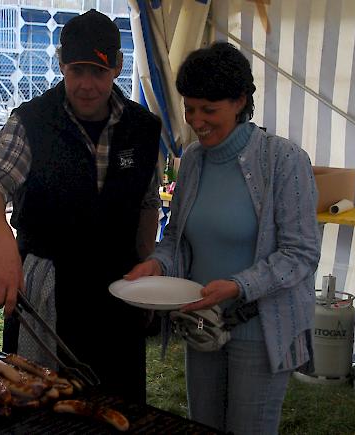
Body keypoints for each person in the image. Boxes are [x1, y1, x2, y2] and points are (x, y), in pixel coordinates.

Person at [0, 9, 161, 403]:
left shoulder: (143, 127)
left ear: (118, 67)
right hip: (50, 287)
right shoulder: (32, 121)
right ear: (61, 64)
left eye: (98, 72)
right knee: (40, 400)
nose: (86, 85)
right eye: (76, 71)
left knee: (118, 399)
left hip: (120, 288)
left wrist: (148, 270)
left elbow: (146, 203)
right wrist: (3, 246)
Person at [125, 42, 321, 433]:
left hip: (259, 329)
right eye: (190, 107)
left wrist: (237, 286)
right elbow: (179, 240)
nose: (196, 120)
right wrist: (157, 264)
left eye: (209, 110)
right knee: (204, 426)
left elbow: (300, 254)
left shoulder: (283, 160)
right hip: (202, 322)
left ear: (240, 102)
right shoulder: (195, 159)